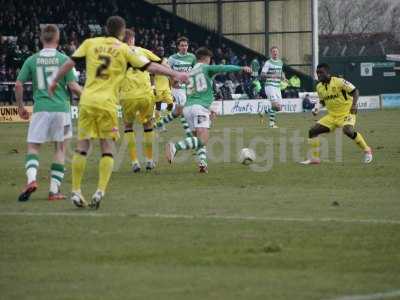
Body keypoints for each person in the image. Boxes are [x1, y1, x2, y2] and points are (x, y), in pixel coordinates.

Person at [49, 16, 189, 209]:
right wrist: (175, 74)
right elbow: (151, 66)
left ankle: (76, 190)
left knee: (82, 147)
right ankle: (100, 191)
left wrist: (55, 80)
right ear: (122, 33)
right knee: (107, 147)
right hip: (107, 103)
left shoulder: (90, 43)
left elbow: (69, 63)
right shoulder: (124, 50)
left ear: (106, 29)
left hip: (87, 100)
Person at [16, 24, 82, 202]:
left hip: (40, 109)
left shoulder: (31, 60)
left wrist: (21, 106)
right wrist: (89, 99)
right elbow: (73, 86)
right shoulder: (63, 59)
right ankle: (54, 191)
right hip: (61, 110)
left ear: (41, 39)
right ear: (58, 39)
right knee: (60, 149)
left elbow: (18, 84)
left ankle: (31, 180)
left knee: (33, 147)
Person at [166, 47, 251, 173]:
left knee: (197, 139)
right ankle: (175, 147)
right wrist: (241, 68)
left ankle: (202, 163)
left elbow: (176, 83)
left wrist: (175, 83)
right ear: (207, 58)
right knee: (203, 139)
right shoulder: (206, 68)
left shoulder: (190, 72)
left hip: (188, 108)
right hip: (200, 107)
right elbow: (224, 68)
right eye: (210, 59)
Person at [301, 63, 373, 165]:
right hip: (332, 116)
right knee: (313, 131)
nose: (319, 75)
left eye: (321, 72)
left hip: (346, 113)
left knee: (348, 131)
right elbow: (323, 101)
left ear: (327, 73)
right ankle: (315, 159)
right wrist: (316, 108)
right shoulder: (319, 87)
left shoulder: (339, 82)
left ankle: (367, 150)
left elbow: (355, 91)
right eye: (317, 73)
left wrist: (354, 105)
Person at [120, 29, 161, 173]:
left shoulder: (116, 54)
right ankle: (149, 161)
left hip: (127, 96)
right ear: (132, 39)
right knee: (148, 125)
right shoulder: (143, 51)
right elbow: (160, 62)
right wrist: (173, 77)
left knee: (128, 126)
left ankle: (134, 162)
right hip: (145, 94)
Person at [154, 37, 196, 136]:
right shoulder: (172, 59)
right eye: (182, 45)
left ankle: (158, 124)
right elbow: (168, 72)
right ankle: (191, 132)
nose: (184, 47)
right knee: (184, 109)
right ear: (178, 47)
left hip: (189, 87)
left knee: (178, 111)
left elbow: (195, 70)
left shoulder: (192, 57)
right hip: (177, 88)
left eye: (186, 45)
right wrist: (173, 81)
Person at [260, 46, 287, 128]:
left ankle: (264, 111)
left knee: (279, 108)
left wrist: (284, 77)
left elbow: (281, 71)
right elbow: (262, 75)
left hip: (277, 86)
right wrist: (272, 75)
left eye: (276, 51)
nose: (275, 53)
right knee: (275, 105)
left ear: (278, 53)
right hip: (270, 86)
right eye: (273, 51)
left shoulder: (280, 62)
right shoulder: (268, 63)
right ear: (271, 53)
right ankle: (272, 124)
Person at [153, 46, 174, 132]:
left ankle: (160, 121)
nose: (161, 51)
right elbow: (151, 75)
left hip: (166, 86)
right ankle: (159, 124)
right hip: (157, 86)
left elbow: (169, 71)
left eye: (162, 50)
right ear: (156, 52)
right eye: (159, 50)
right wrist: (153, 87)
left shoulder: (165, 60)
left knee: (171, 104)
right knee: (158, 107)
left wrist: (170, 85)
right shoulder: (153, 61)